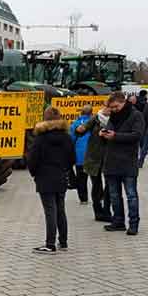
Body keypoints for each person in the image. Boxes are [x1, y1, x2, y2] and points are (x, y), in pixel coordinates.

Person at [27, 106, 76, 253]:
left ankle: (50, 244)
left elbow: (32, 159)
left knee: (50, 210)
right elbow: (72, 158)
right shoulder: (66, 137)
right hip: (61, 176)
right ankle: (63, 242)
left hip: (44, 176)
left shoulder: (40, 138)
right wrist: (64, 169)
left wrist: (35, 174)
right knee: (60, 209)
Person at [100, 91, 145, 235]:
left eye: (115, 107)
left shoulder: (136, 115)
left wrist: (115, 136)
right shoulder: (113, 116)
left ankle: (133, 223)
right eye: (111, 107)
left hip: (128, 161)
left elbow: (137, 135)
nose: (113, 110)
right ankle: (118, 221)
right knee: (114, 194)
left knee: (131, 195)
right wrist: (103, 134)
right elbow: (111, 133)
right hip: (111, 161)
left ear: (123, 102)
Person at [75, 106, 112, 222]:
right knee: (96, 185)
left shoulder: (116, 119)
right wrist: (79, 129)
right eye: (106, 107)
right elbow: (81, 131)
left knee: (110, 185)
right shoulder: (95, 118)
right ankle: (98, 212)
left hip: (109, 157)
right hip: (93, 157)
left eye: (110, 107)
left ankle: (107, 211)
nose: (108, 109)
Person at [69, 105, 92, 205]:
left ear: (80, 113)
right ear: (91, 113)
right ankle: (99, 196)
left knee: (81, 177)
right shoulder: (94, 123)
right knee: (96, 177)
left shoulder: (75, 124)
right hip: (93, 154)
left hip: (80, 155)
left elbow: (71, 140)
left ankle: (83, 199)